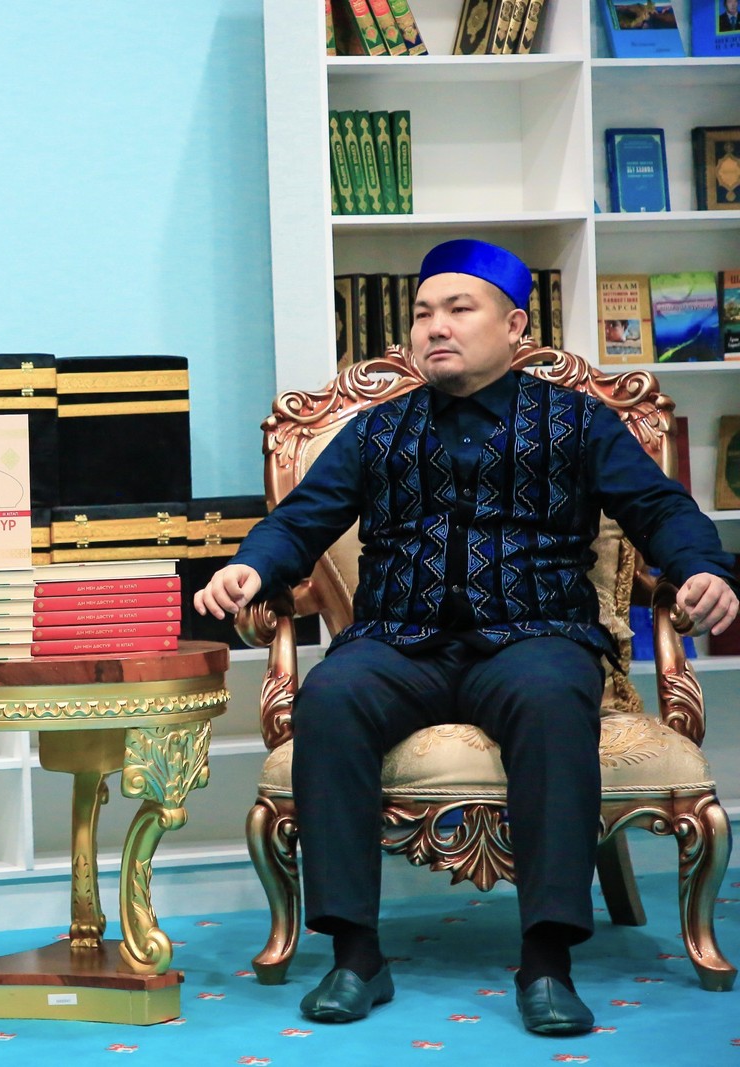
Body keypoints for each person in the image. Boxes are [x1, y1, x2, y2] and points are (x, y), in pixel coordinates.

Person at [195, 238, 738, 1036]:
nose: (435, 327)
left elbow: (659, 508)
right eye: (423, 313)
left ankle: (547, 962)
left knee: (552, 700)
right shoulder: (377, 430)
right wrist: (250, 567)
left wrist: (700, 567)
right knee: (332, 697)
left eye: (458, 308)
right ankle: (355, 957)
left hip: (535, 637)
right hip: (397, 642)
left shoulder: (577, 421)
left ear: (514, 326)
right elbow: (300, 520)